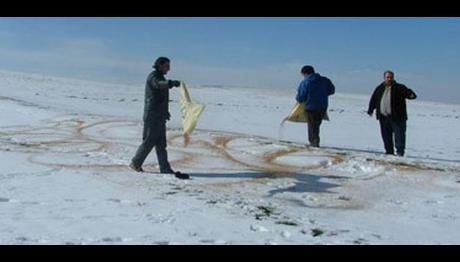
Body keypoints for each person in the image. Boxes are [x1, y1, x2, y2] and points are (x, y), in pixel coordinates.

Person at [129, 56, 189, 179]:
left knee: (161, 144)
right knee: (149, 141)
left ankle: (165, 168)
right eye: (167, 66)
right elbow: (159, 85)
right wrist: (171, 83)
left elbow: (162, 98)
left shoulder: (161, 77)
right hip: (152, 116)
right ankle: (135, 163)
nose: (169, 69)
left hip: (160, 116)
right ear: (160, 65)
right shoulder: (154, 77)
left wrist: (165, 112)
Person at [367, 70, 417, 157]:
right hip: (383, 117)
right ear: (384, 78)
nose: (389, 79)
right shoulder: (379, 88)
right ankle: (389, 152)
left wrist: (411, 94)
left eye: (390, 77)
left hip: (397, 117)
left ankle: (400, 152)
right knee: (386, 136)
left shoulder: (399, 87)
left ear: (393, 78)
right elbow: (374, 99)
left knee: (399, 135)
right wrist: (371, 109)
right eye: (387, 77)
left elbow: (409, 93)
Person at [295, 65, 335, 147]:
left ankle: (314, 144)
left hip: (311, 107)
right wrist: (322, 94)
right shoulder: (325, 80)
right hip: (323, 106)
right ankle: (314, 142)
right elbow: (332, 90)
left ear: (305, 73)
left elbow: (301, 97)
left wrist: (299, 99)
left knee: (312, 126)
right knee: (316, 125)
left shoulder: (306, 82)